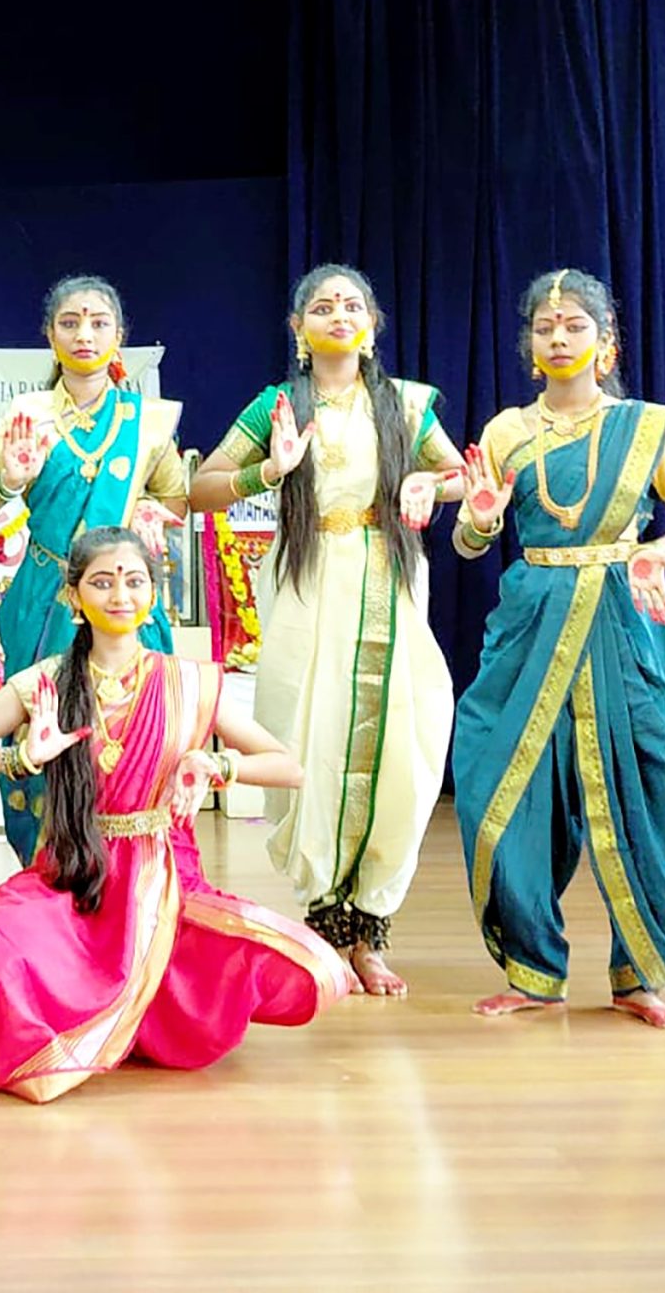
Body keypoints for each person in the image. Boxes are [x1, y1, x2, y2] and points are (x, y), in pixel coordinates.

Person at [0, 528, 351, 1103]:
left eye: (134, 581)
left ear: (153, 593)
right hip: (72, 876)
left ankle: (127, 1012)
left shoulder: (188, 682)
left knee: (291, 968)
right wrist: (15, 759)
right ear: (73, 596)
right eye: (102, 582)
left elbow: (287, 766)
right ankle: (73, 1032)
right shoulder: (43, 683)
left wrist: (214, 765)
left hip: (164, 885)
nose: (120, 594)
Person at [450, 269, 665, 1031]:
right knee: (501, 788)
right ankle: (533, 971)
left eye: (575, 325)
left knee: (657, 788)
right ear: (530, 346)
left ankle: (640, 974)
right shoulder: (507, 432)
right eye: (546, 327)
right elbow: (471, 545)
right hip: (532, 624)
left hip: (625, 622)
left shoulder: (644, 429)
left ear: (607, 343)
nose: (560, 337)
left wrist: (655, 550)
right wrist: (479, 519)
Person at [187, 264, 464, 997]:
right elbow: (199, 489)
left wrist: (429, 482)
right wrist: (267, 472)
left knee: (400, 742)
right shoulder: (278, 405)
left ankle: (371, 927)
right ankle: (325, 923)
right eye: (322, 306)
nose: (338, 314)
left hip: (389, 583)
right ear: (298, 329)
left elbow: (463, 476)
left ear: (371, 323)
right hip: (308, 586)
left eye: (351, 305)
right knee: (312, 736)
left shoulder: (405, 404)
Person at [0, 274, 188, 861]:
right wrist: (9, 481)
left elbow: (177, 500)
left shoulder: (148, 419)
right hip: (43, 598)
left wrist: (153, 510)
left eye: (99, 323)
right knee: (39, 730)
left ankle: (127, 868)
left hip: (122, 601)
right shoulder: (27, 415)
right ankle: (44, 872)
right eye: (70, 322)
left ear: (119, 334)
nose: (85, 334)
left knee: (129, 736)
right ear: (49, 335)